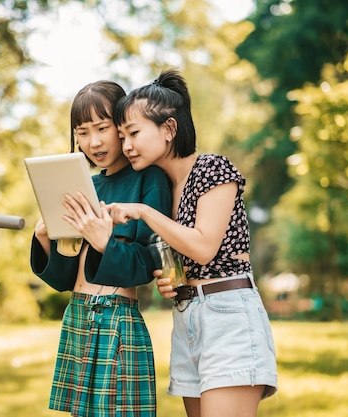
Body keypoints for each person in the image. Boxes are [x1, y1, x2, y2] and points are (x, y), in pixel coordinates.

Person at [106, 69, 278, 417]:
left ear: (169, 129)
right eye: (122, 136)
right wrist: (169, 283)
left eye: (134, 133)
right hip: (187, 319)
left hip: (227, 314)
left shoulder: (213, 169)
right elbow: (183, 261)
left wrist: (143, 212)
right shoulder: (162, 190)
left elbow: (203, 247)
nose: (126, 146)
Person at [29, 80, 173, 417]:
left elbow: (151, 262)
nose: (93, 141)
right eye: (82, 132)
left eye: (102, 128)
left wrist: (104, 242)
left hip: (117, 317)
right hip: (77, 314)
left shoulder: (149, 180)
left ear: (121, 127)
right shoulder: (85, 185)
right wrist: (44, 238)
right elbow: (65, 278)